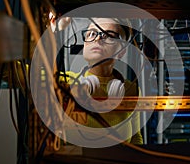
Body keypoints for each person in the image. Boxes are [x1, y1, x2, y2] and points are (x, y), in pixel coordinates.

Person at [55, 17, 143, 145]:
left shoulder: (131, 90)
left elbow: (136, 139)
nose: (97, 39)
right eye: (91, 33)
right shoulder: (65, 82)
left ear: (121, 51)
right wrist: (52, 30)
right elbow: (19, 71)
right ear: (85, 44)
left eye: (109, 35)